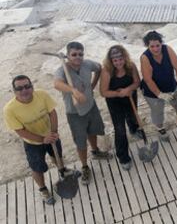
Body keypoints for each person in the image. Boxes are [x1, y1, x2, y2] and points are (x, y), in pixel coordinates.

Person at [54, 41, 112, 185]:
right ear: (67, 55)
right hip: (74, 113)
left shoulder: (87, 64)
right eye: (74, 54)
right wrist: (73, 91)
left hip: (90, 106)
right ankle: (85, 166)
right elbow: (57, 84)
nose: (77, 57)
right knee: (80, 141)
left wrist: (93, 85)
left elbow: (99, 68)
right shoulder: (62, 69)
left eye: (80, 54)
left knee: (93, 130)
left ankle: (96, 151)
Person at [3, 75, 64, 205]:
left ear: (32, 86)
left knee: (57, 155)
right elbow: (20, 131)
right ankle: (43, 189)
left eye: (27, 86)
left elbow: (52, 112)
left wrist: (53, 132)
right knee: (37, 168)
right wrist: (43, 139)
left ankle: (62, 172)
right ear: (14, 91)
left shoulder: (41, 95)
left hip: (51, 135)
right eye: (19, 88)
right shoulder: (9, 109)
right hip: (33, 143)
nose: (24, 90)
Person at [140, 31, 177, 140]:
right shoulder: (145, 58)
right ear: (147, 46)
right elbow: (148, 80)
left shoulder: (168, 50)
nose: (156, 49)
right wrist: (160, 94)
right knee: (157, 110)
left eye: (158, 45)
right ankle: (160, 128)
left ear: (161, 43)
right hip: (152, 91)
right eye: (152, 46)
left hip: (170, 85)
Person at [100, 45, 143, 171]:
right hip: (114, 102)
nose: (118, 62)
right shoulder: (107, 71)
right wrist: (119, 93)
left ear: (124, 58)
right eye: (115, 60)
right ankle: (123, 156)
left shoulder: (131, 66)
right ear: (111, 61)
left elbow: (137, 82)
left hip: (130, 96)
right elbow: (103, 92)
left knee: (133, 117)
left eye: (120, 59)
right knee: (120, 129)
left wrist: (128, 89)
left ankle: (134, 130)